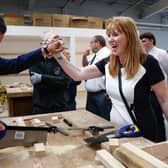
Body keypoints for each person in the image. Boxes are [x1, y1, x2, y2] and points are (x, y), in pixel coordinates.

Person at [53, 16, 168, 142]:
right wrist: (58, 55)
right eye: (109, 35)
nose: (110, 39)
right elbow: (78, 74)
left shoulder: (148, 63)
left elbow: (164, 99)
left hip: (142, 131)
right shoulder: (109, 62)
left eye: (116, 34)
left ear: (130, 37)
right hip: (117, 129)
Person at [0, 17, 61, 133]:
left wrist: (47, 51)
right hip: (42, 104)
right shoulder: (37, 62)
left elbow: (67, 81)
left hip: (58, 104)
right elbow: (17, 66)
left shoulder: (59, 60)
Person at [29, 33, 72, 114]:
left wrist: (42, 78)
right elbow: (38, 85)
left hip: (61, 106)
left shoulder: (62, 60)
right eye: (52, 42)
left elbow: (66, 81)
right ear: (44, 43)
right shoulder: (35, 60)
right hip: (41, 107)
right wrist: (57, 82)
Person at [140, 32, 168, 141]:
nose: (142, 44)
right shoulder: (142, 55)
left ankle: (161, 140)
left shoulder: (161, 54)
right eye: (141, 41)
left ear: (151, 40)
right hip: (147, 92)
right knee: (150, 117)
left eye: (144, 41)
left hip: (158, 91)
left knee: (158, 118)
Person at [82, 35, 112, 120]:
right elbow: (86, 67)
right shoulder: (96, 55)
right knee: (93, 119)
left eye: (91, 42)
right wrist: (84, 56)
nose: (90, 45)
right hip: (92, 94)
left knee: (104, 119)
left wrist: (109, 90)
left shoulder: (106, 53)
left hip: (101, 94)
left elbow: (110, 72)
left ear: (97, 43)